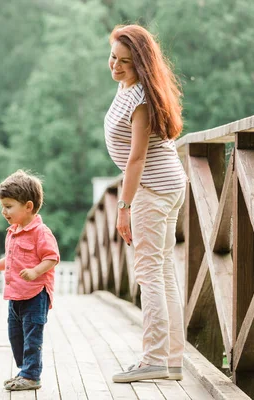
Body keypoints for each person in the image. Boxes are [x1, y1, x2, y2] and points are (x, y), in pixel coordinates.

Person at [104, 24, 188, 383]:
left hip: (153, 188)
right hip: (167, 184)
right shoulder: (130, 88)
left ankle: (154, 359)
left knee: (150, 273)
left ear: (141, 64)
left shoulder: (140, 98)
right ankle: (171, 360)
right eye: (112, 58)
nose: (116, 66)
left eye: (125, 62)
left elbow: (136, 159)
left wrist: (124, 208)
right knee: (163, 270)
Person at [0, 170, 60, 391]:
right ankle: (25, 372)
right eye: (3, 206)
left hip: (35, 294)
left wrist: (35, 271)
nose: (4, 211)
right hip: (15, 295)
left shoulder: (41, 232)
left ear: (28, 206)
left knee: (32, 337)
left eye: (9, 206)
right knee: (15, 336)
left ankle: (32, 376)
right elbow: (10, 260)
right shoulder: (13, 232)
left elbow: (52, 257)